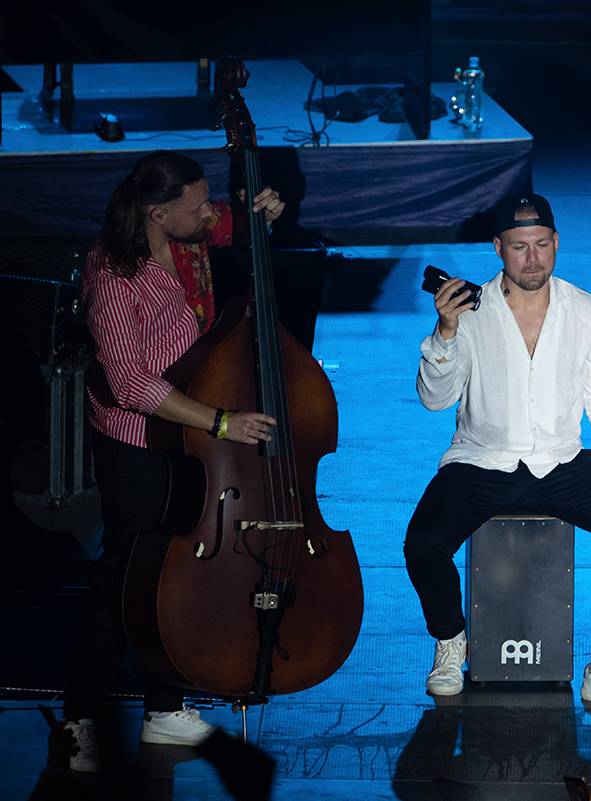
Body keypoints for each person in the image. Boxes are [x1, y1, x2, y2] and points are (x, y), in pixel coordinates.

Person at [62, 151, 284, 773]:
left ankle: (164, 708)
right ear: (157, 214)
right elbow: (129, 383)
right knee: (122, 575)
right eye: (197, 205)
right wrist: (221, 421)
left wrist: (266, 210)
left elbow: (239, 223)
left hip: (191, 438)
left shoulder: (189, 231)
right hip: (138, 441)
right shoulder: (113, 274)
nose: (210, 213)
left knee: (181, 574)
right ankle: (79, 720)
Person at [405, 193, 591, 712]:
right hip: (481, 461)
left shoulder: (587, 311)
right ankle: (451, 641)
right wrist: (445, 333)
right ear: (498, 248)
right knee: (422, 543)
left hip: (560, 463)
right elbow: (434, 399)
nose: (533, 258)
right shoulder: (471, 311)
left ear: (556, 242)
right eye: (520, 247)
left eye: (542, 244)